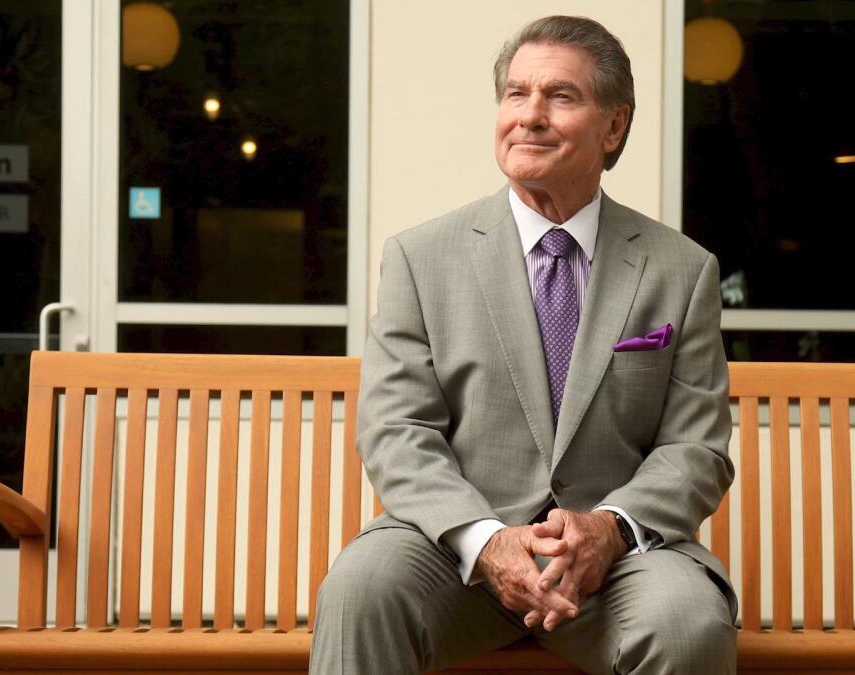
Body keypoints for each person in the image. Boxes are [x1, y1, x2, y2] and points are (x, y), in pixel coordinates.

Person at [310, 15, 736, 674]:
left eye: (560, 96)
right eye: (516, 93)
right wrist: (487, 540)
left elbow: (696, 446)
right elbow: (397, 428)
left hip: (616, 564)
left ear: (614, 125)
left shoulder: (680, 269)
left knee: (686, 622)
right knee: (361, 588)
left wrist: (609, 528)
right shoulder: (423, 257)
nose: (529, 115)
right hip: (454, 553)